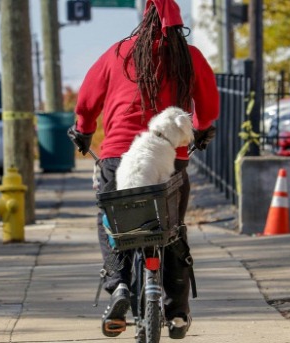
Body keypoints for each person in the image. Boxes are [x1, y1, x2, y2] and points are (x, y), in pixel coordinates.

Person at [67, 0, 219, 339]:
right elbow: (207, 110)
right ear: (179, 25)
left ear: (143, 21)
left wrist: (83, 129)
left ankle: (119, 285)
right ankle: (177, 310)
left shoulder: (119, 53)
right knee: (172, 228)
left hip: (117, 158)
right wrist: (204, 129)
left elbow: (87, 101)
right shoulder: (189, 58)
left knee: (111, 221)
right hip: (169, 159)